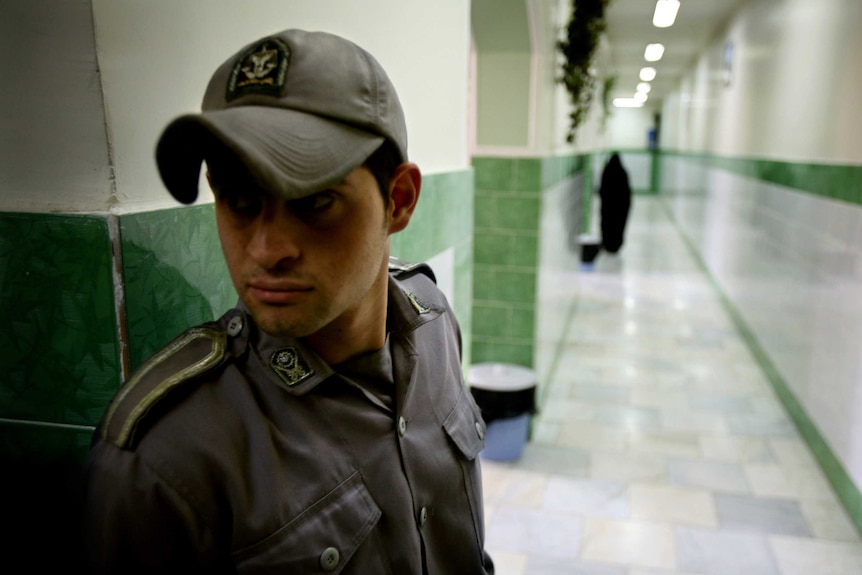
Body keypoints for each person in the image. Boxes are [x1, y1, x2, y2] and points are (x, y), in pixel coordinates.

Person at [83, 28, 495, 574]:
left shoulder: (432, 321)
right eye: (239, 201)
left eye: (315, 201)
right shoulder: (164, 458)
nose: (266, 250)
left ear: (398, 200)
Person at [598, 152, 632, 254]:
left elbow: (602, 189)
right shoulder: (623, 172)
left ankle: (607, 243)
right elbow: (627, 192)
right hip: (620, 207)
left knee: (607, 224)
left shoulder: (606, 171)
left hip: (608, 206)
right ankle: (616, 244)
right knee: (618, 226)